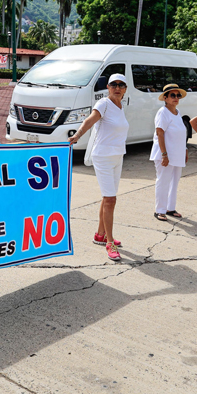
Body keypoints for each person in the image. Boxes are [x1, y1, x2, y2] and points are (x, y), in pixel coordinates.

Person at [69, 73, 130, 261]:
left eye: (121, 85)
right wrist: (77, 135)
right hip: (103, 156)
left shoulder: (120, 107)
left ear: (125, 89)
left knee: (108, 198)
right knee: (110, 199)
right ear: (108, 87)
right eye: (113, 84)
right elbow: (90, 120)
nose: (117, 88)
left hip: (117, 156)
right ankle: (109, 242)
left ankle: (100, 234)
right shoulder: (103, 103)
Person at [150, 84, 189, 219]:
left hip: (177, 154)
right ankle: (159, 210)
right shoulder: (163, 112)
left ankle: (170, 208)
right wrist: (164, 154)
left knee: (174, 181)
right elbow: (160, 133)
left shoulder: (177, 113)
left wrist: (185, 149)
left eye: (178, 95)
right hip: (165, 154)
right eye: (173, 95)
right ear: (165, 98)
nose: (176, 98)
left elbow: (181, 134)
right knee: (163, 181)